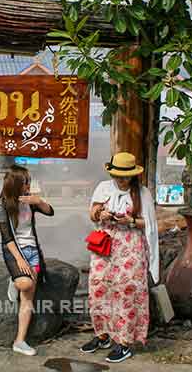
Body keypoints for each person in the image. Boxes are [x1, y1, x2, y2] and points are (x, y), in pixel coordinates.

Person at [79, 152, 159, 363]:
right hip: (104, 247)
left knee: (126, 291)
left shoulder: (142, 193)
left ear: (133, 175)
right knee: (99, 289)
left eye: (125, 176)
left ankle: (124, 343)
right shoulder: (103, 188)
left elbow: (149, 224)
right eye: (117, 175)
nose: (120, 180)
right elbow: (92, 212)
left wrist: (130, 221)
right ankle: (102, 335)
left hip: (130, 247)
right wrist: (101, 215)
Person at [0, 165, 54, 356]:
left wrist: (39, 201)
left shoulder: (29, 200)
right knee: (25, 282)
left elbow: (50, 211)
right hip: (14, 250)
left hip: (32, 250)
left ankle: (19, 341)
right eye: (25, 182)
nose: (28, 185)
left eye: (29, 181)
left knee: (28, 296)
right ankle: (14, 280)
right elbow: (7, 238)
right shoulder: (2, 205)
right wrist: (19, 260)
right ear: (16, 184)